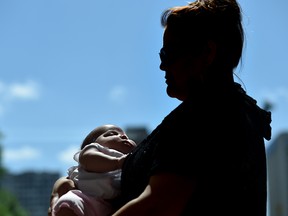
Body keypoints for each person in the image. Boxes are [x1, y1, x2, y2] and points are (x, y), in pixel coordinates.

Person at [49, 0, 272, 215]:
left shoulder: (204, 116)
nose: (162, 65)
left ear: (207, 53)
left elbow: (155, 207)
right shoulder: (234, 112)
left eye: (169, 54)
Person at [48, 124, 137, 216]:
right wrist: (117, 162)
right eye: (112, 134)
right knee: (70, 202)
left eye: (127, 137)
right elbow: (88, 158)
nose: (123, 136)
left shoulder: (131, 159)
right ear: (94, 142)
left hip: (109, 207)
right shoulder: (96, 149)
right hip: (85, 198)